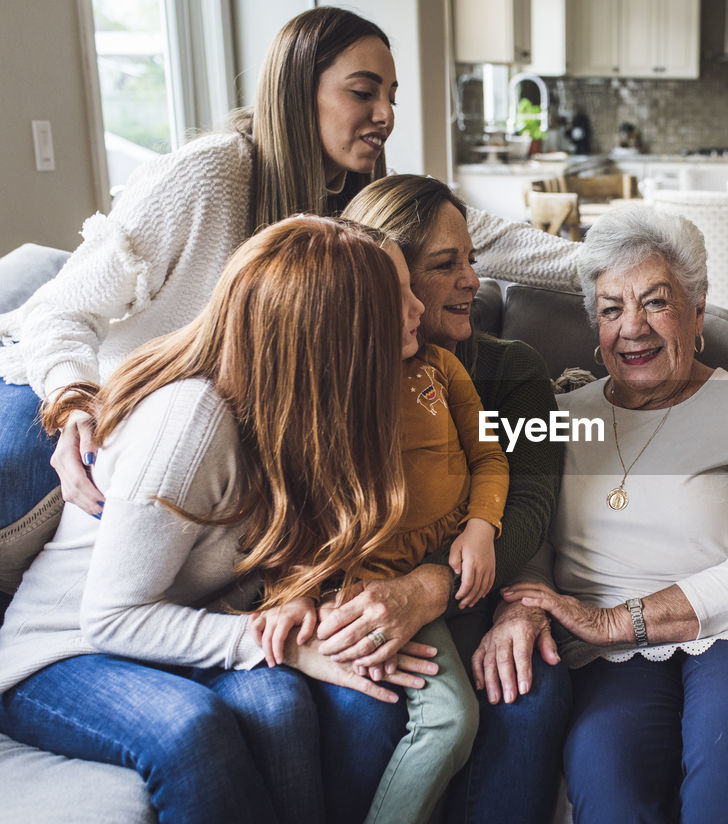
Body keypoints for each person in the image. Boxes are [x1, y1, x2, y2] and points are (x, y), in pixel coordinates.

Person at [0, 7, 578, 535]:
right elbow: (60, 308)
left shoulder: (354, 207)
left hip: (186, 446)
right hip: (61, 407)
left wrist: (633, 269)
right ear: (299, 92)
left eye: (391, 97)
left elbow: (494, 237)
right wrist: (74, 403)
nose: (386, 116)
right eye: (363, 93)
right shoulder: (209, 176)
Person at [0, 217, 436, 824]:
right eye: (396, 297)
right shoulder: (190, 424)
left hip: (177, 626)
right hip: (61, 651)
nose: (418, 307)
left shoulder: (309, 412)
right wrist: (281, 646)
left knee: (282, 707)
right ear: (342, 329)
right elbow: (111, 618)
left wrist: (295, 607)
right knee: (190, 730)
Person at [483, 205, 728, 824]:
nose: (632, 328)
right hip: (603, 652)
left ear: (698, 313)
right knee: (607, 771)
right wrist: (524, 609)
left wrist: (618, 620)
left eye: (655, 302)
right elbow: (531, 543)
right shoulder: (562, 416)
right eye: (611, 309)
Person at [253, 231, 507, 824]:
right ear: (351, 316)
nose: (419, 305)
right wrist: (293, 595)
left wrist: (483, 525)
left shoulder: (441, 372)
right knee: (448, 717)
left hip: (434, 568)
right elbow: (293, 515)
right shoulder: (318, 399)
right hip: (363, 586)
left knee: (471, 711)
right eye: (398, 296)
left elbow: (490, 458)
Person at [342, 174, 572, 824]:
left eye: (471, 259)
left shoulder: (510, 370)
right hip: (368, 591)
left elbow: (531, 499)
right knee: (362, 703)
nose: (473, 280)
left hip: (480, 584)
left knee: (533, 693)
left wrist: (437, 588)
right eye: (445, 266)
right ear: (388, 286)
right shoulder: (343, 378)